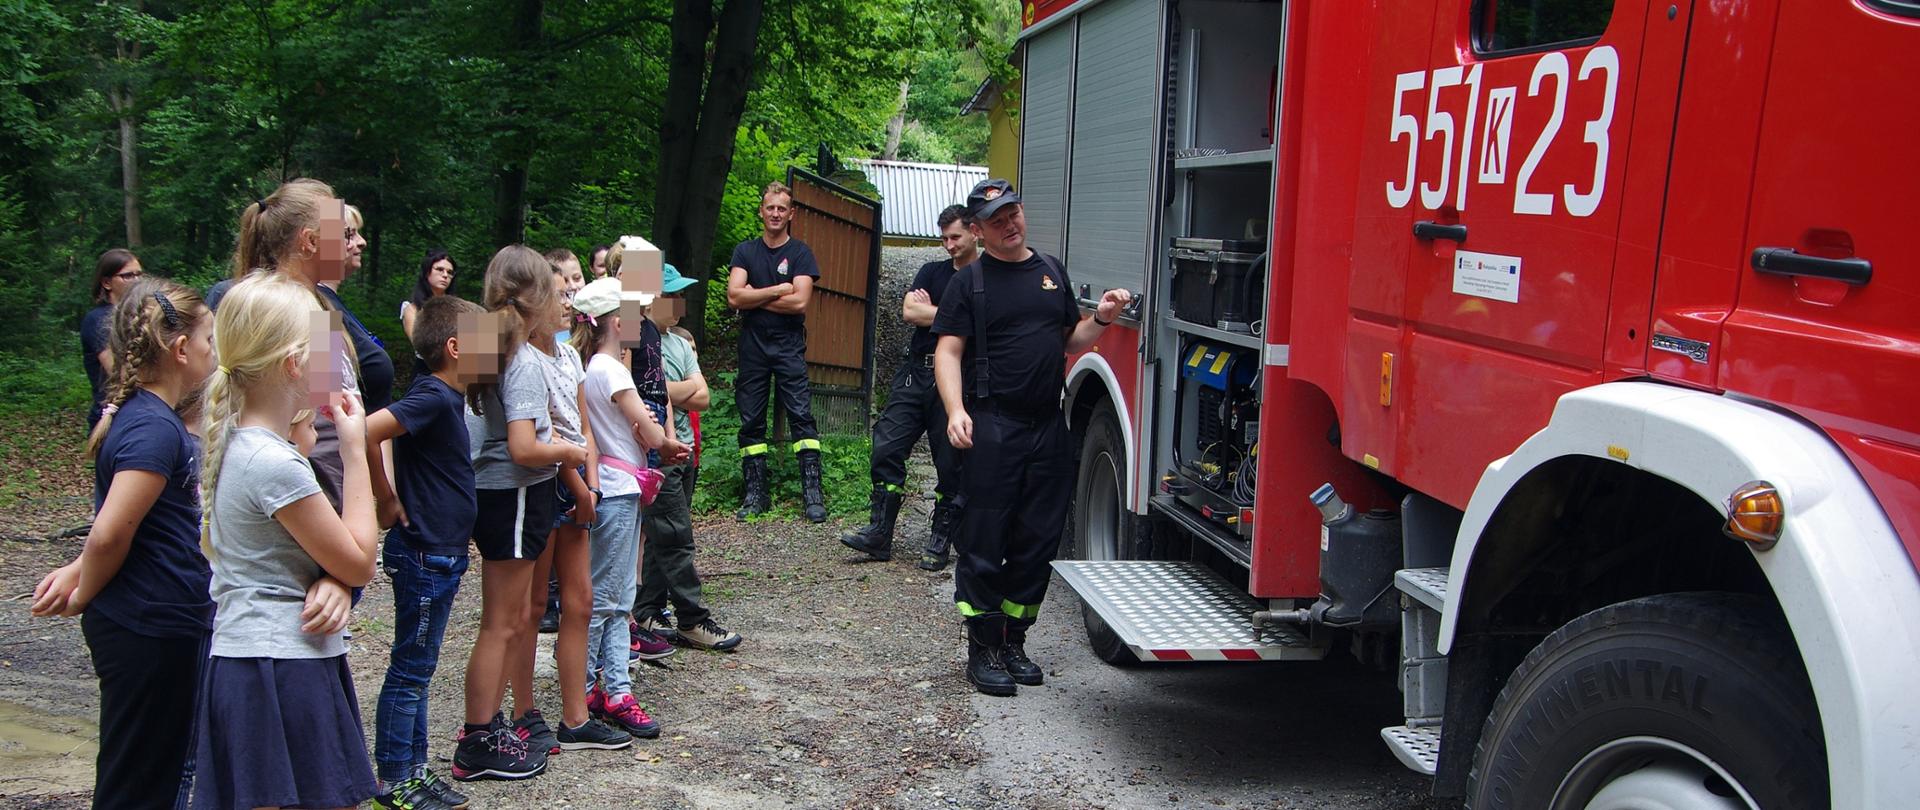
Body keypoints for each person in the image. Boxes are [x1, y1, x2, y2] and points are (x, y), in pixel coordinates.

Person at [933, 179, 1131, 696]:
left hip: (1048, 424)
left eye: (1013, 211)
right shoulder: (969, 282)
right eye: (996, 219)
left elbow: (1070, 338)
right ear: (977, 230)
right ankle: (982, 648)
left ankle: (1014, 640)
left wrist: (1102, 319)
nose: (1009, 223)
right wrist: (956, 410)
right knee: (985, 538)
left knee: (1038, 538)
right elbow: (948, 351)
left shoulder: (1049, 271)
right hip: (994, 425)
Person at [191, 272, 380, 809]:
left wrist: (333, 580)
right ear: (295, 365)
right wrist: (352, 450)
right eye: (325, 350)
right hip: (279, 666)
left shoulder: (242, 442)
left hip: (261, 659)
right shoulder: (273, 464)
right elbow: (361, 560)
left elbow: (306, 557)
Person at [32, 279, 214, 810]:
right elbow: (113, 531)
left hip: (162, 620)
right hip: (149, 626)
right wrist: (85, 588)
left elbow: (131, 525)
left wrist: (75, 569)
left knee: (153, 772)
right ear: (181, 350)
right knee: (139, 781)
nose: (211, 353)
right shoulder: (154, 429)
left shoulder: (148, 419)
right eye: (207, 343)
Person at [363, 295, 502, 810]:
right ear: (455, 348)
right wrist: (385, 495)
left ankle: (416, 774)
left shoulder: (448, 398)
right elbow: (365, 432)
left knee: (419, 669)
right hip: (423, 553)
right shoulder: (431, 396)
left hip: (441, 554)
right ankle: (395, 780)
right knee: (410, 670)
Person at [453, 245, 584, 782]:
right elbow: (526, 448)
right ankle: (478, 738)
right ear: (536, 298)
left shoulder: (487, 342)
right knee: (503, 623)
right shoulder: (525, 360)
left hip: (489, 492)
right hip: (517, 496)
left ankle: (484, 729)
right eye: (555, 289)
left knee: (500, 622)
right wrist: (569, 453)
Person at [207, 181, 396, 511]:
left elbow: (326, 410)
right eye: (344, 232)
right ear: (310, 241)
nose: (359, 241)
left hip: (316, 492)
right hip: (297, 495)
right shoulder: (271, 310)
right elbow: (314, 429)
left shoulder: (317, 307)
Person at [569, 276, 687, 739]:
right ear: (617, 323)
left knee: (613, 596)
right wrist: (666, 443)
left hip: (617, 486)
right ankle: (602, 689)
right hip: (618, 489)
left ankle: (607, 686)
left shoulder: (591, 366)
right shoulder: (614, 370)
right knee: (611, 599)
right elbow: (648, 428)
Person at [504, 248, 604, 761]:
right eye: (559, 292)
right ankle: (524, 713)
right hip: (547, 480)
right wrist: (579, 485)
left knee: (580, 601)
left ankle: (576, 717)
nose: (568, 301)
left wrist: (591, 480)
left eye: (571, 291)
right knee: (532, 604)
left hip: (578, 482)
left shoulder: (568, 354)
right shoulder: (522, 359)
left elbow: (582, 423)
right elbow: (543, 431)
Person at [842, 205, 971, 569]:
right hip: (914, 374)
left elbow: (981, 322)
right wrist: (954, 314)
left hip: (958, 376)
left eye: (955, 237)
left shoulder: (982, 277)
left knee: (951, 462)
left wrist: (937, 312)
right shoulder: (932, 271)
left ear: (974, 233)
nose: (948, 245)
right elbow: (910, 312)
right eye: (944, 238)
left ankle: (941, 538)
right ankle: (880, 532)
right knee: (887, 445)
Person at [636, 264, 743, 651]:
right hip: (657, 452)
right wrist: (675, 388)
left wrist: (669, 388)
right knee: (676, 538)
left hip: (685, 450)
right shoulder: (640, 340)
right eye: (673, 295)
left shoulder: (679, 343)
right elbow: (648, 391)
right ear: (652, 300)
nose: (680, 302)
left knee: (665, 535)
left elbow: (704, 397)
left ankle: (646, 609)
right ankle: (692, 620)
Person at [726, 181, 828, 522]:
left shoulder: (801, 253)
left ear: (791, 214)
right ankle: (756, 494)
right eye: (770, 207)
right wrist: (776, 290)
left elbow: (800, 302)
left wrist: (756, 296)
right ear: (761, 210)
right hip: (752, 345)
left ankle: (812, 493)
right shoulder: (745, 251)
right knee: (751, 418)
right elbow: (734, 297)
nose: (775, 213)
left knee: (801, 414)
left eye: (782, 208)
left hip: (788, 345)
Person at [81, 248, 144, 429]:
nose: (137, 281)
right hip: (113, 418)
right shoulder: (98, 320)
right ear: (107, 283)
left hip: (141, 412)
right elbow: (120, 373)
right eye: (128, 276)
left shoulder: (144, 313)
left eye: (139, 274)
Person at [401, 249, 457, 342]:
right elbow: (419, 345)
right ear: (427, 272)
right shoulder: (412, 309)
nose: (445, 275)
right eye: (440, 269)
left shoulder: (458, 307)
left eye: (450, 272)